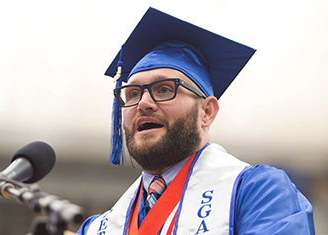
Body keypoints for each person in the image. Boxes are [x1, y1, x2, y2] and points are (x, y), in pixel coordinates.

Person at [75, 7, 315, 235]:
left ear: (207, 112)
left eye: (164, 89)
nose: (143, 103)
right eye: (133, 93)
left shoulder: (258, 194)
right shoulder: (97, 228)